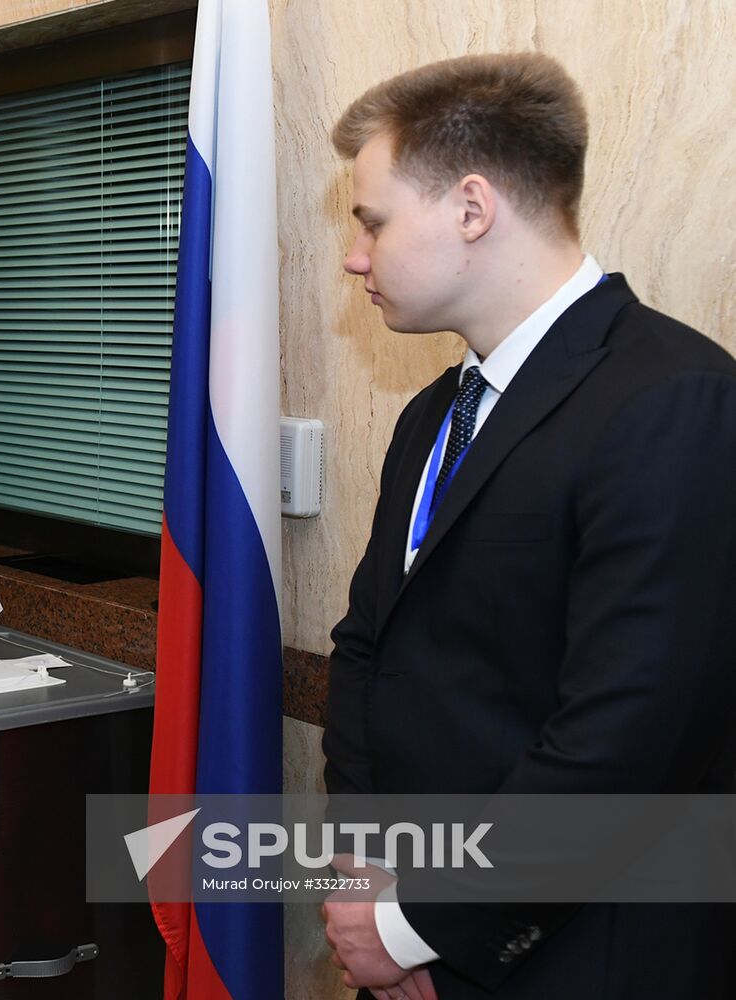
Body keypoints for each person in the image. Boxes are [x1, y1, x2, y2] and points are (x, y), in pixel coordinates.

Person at [320, 53, 736, 1000]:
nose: (356, 255)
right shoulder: (438, 412)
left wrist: (423, 925)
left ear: (472, 208)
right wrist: (367, 878)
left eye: (373, 222)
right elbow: (367, 652)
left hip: (577, 956)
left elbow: (630, 738)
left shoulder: (675, 400)